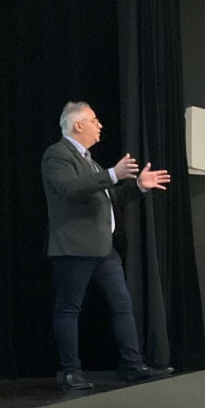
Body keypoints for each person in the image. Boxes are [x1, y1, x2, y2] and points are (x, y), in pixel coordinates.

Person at [42, 101, 173, 390]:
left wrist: (138, 186)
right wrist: (113, 174)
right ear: (78, 125)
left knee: (122, 306)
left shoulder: (92, 162)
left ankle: (134, 366)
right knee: (69, 310)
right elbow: (70, 189)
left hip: (103, 249)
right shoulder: (57, 155)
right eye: (94, 119)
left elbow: (109, 199)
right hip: (74, 247)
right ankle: (70, 371)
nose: (99, 125)